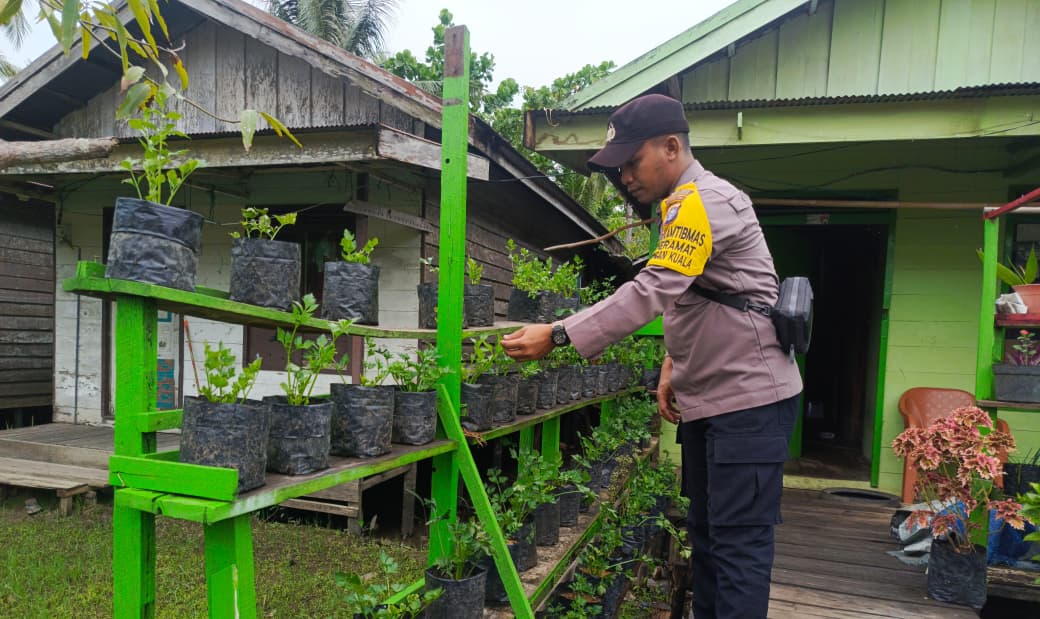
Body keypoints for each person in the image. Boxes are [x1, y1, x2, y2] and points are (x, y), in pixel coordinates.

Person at [501, 93, 802, 619]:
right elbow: (695, 297)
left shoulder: (703, 202)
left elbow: (653, 289)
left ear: (670, 147)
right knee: (708, 541)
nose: (624, 177)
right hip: (713, 402)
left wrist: (560, 333)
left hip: (747, 405)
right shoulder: (679, 208)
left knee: (737, 551)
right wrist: (672, 366)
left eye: (631, 162)